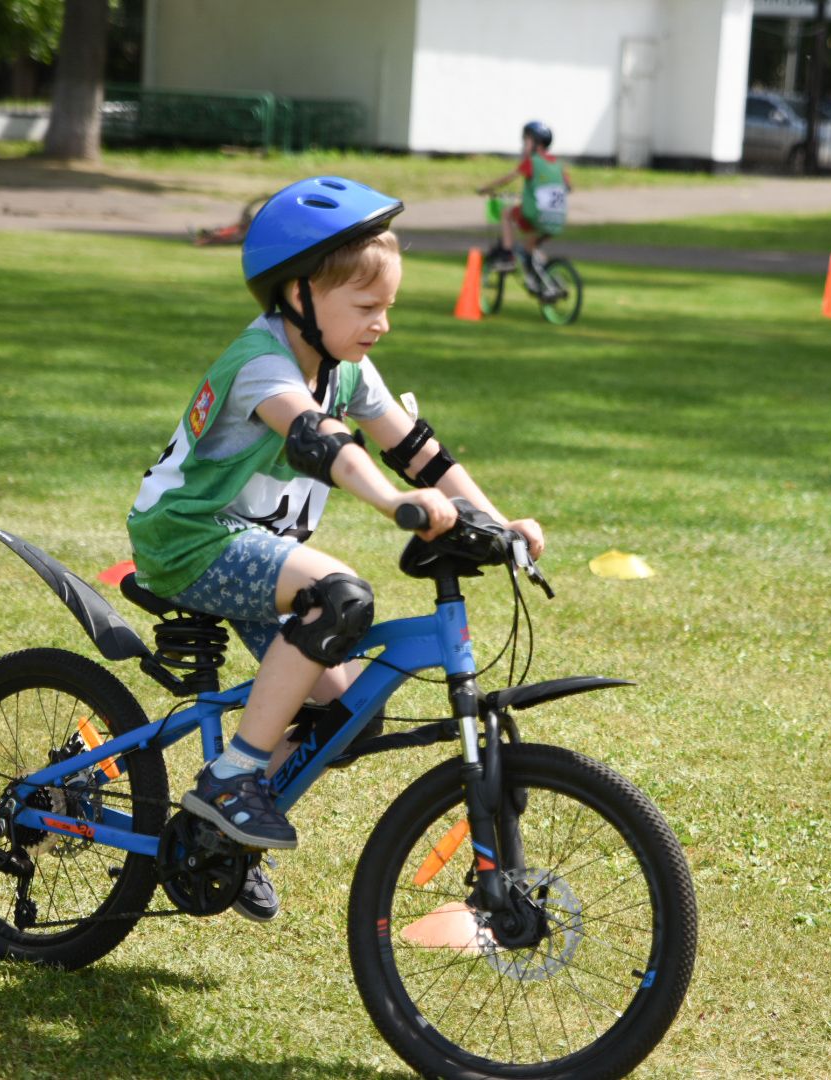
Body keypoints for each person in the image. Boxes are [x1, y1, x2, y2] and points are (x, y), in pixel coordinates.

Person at [126, 176, 546, 921]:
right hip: (186, 539)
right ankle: (233, 780)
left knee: (350, 713)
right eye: (365, 308)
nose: (381, 323)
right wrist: (391, 503)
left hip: (257, 547)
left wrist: (499, 522)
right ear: (296, 296)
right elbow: (322, 442)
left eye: (387, 308)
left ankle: (214, 832)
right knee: (340, 595)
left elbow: (420, 451)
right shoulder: (261, 363)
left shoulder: (346, 368)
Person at [477, 120, 573, 288]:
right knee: (531, 246)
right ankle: (541, 278)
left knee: (507, 213)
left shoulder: (532, 162)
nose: (524, 145)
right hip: (557, 218)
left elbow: (508, 178)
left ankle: (507, 255)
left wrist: (486, 188)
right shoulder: (558, 165)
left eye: (526, 141)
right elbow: (568, 187)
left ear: (536, 143)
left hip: (536, 215)